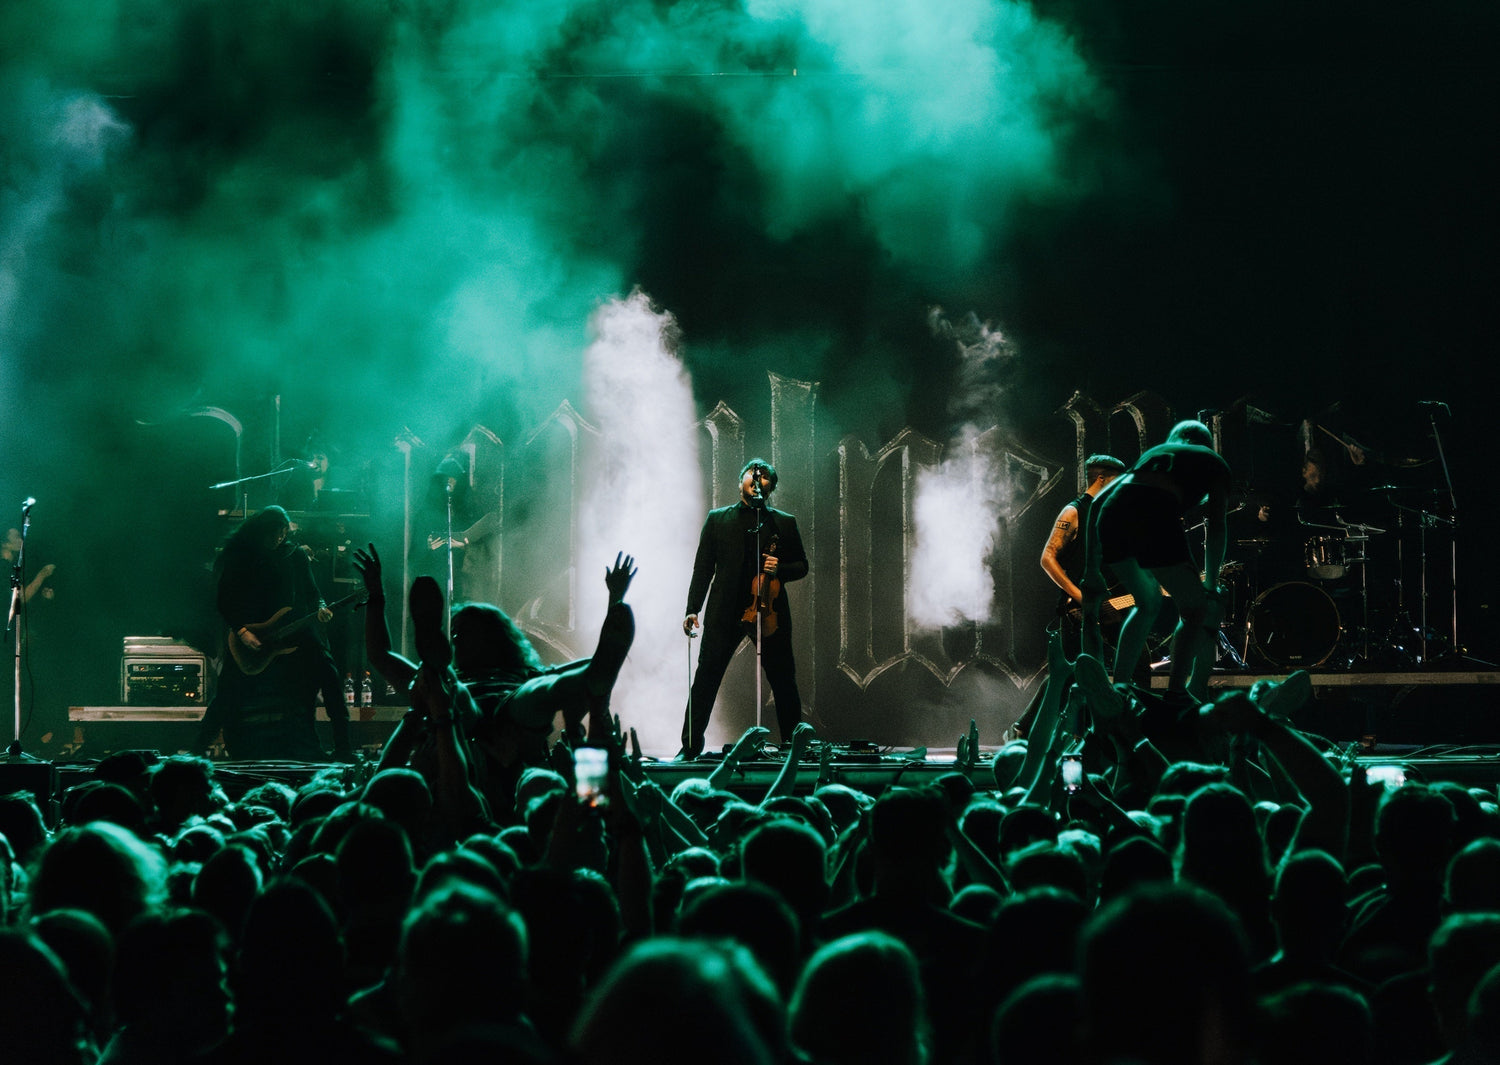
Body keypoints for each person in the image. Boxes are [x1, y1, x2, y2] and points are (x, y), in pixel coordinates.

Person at [1082, 420, 1231, 702]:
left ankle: (1121, 689)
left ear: (1176, 438)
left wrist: (1091, 570)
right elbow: (1218, 527)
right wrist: (1210, 585)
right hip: (1156, 512)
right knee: (1194, 609)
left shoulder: (1156, 453)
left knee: (1147, 601)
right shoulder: (1214, 461)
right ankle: (1176, 693)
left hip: (1111, 517)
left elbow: (1098, 504)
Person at [194, 506, 350, 760]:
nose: (278, 539)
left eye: (282, 533)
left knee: (328, 672)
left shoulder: (295, 555)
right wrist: (242, 631)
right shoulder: (241, 556)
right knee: (228, 691)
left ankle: (344, 748)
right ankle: (197, 750)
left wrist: (321, 608)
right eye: (274, 534)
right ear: (261, 531)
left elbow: (313, 593)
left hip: (293, 626)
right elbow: (224, 600)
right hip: (254, 633)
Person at [680, 459, 808, 760]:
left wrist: (782, 568)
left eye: (765, 478)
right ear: (741, 482)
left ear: (771, 488)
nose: (758, 479)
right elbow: (703, 569)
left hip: (769, 612)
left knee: (783, 680)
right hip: (724, 611)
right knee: (706, 679)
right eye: (753, 474)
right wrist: (692, 609)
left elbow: (802, 565)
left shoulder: (783, 522)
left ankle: (794, 748)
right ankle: (688, 747)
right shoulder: (718, 519)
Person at [1039, 454, 1126, 658]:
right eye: (1118, 481)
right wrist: (1080, 596)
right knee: (1080, 674)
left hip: (1112, 607)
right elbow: (1047, 558)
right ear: (1101, 478)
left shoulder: (1112, 514)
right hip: (1078, 612)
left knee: (1138, 664)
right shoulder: (1074, 511)